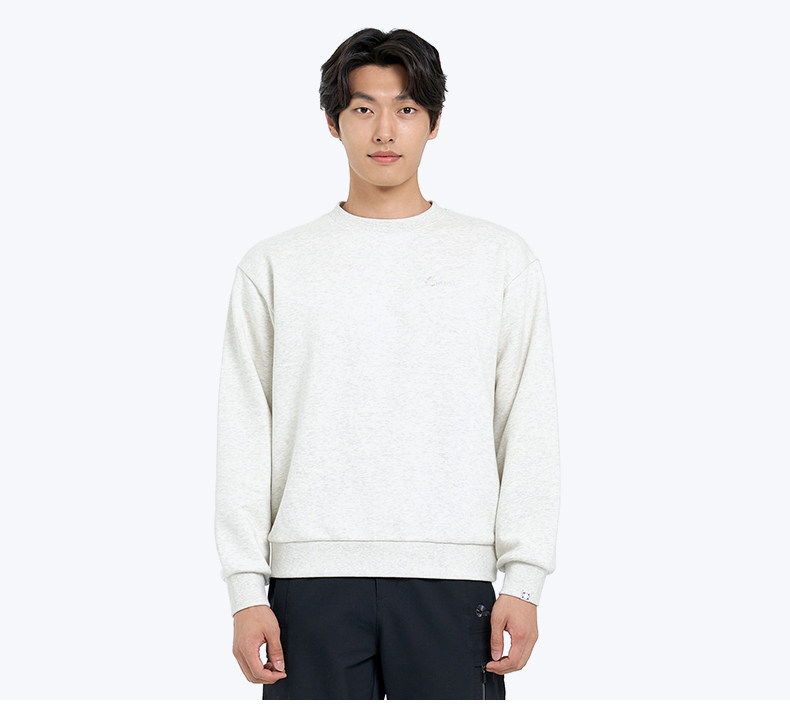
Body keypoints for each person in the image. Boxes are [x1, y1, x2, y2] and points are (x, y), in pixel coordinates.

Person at [214, 27, 561, 700]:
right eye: (363, 108)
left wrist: (523, 581)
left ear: (434, 122)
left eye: (405, 108)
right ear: (333, 121)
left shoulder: (498, 260)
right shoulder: (275, 265)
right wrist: (245, 591)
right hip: (308, 581)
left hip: (453, 579)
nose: (384, 130)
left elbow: (528, 423)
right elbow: (244, 433)